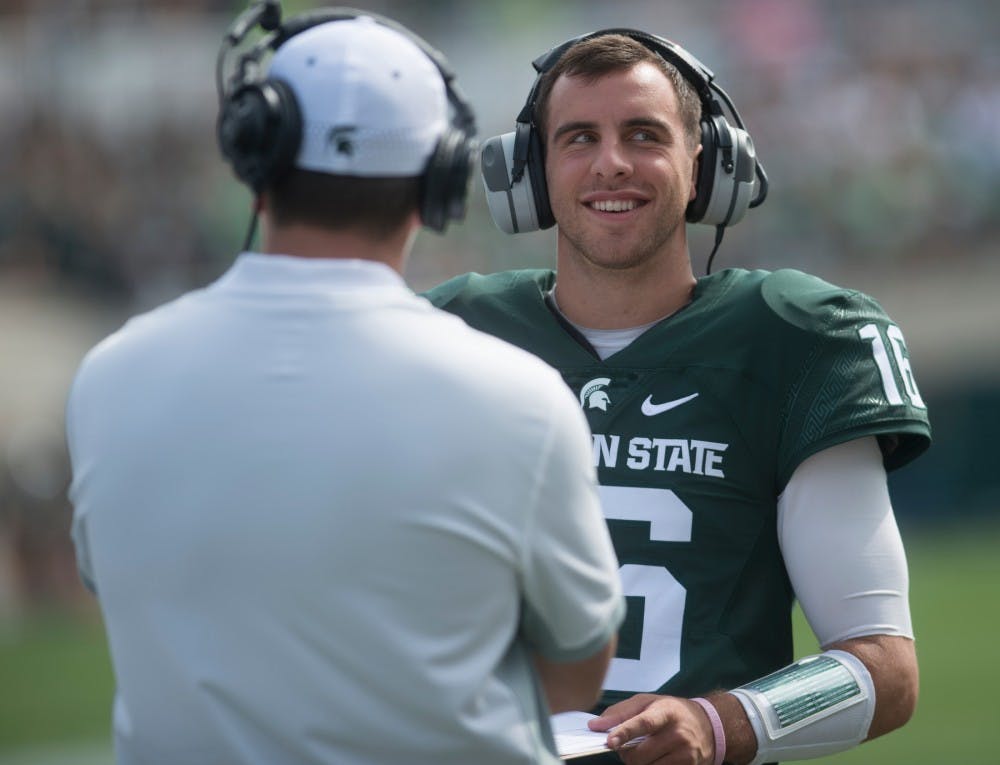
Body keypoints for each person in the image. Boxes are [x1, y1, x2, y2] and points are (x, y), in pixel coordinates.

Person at [66, 10, 625, 765]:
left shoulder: (109, 374)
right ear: (442, 179)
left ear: (253, 150)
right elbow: (576, 669)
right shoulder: (520, 397)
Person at [425, 28, 931, 765]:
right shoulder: (448, 336)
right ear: (529, 174)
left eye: (643, 134)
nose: (611, 164)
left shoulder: (791, 340)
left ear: (707, 164)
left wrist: (721, 721)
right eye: (578, 138)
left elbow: (884, 667)